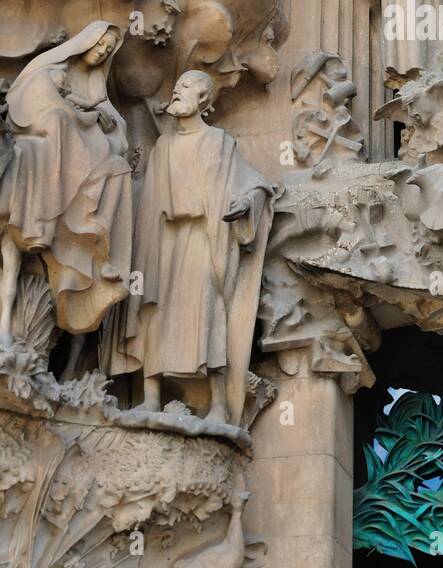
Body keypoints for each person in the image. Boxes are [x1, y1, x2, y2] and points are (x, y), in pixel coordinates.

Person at [119, 70, 274, 426]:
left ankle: (219, 403)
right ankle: (151, 396)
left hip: (205, 240)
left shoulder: (220, 142)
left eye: (185, 87)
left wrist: (245, 203)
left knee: (209, 312)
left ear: (204, 99)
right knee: (154, 312)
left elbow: (257, 185)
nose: (176, 91)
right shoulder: (163, 148)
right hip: (163, 243)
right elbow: (147, 201)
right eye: (176, 87)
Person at [0, 22, 131, 342]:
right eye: (100, 43)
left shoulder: (94, 84)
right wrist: (84, 116)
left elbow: (115, 126)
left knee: (115, 165)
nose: (102, 51)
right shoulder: (46, 70)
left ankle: (93, 241)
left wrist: (103, 119)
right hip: (39, 148)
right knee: (57, 122)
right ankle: (41, 216)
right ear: (86, 41)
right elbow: (38, 108)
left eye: (108, 49)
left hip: (71, 156)